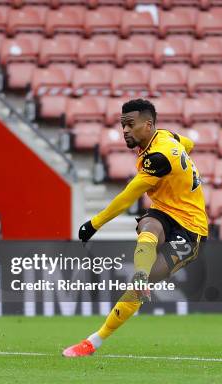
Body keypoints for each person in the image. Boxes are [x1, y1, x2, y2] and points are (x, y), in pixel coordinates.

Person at [63, 98, 208, 357]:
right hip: (165, 212)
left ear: (148, 125)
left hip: (191, 230)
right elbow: (189, 144)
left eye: (130, 125)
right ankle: (92, 341)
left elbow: (127, 196)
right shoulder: (165, 137)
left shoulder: (158, 157)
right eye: (123, 125)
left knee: (139, 287)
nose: (125, 130)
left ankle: (96, 339)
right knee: (148, 224)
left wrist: (93, 224)